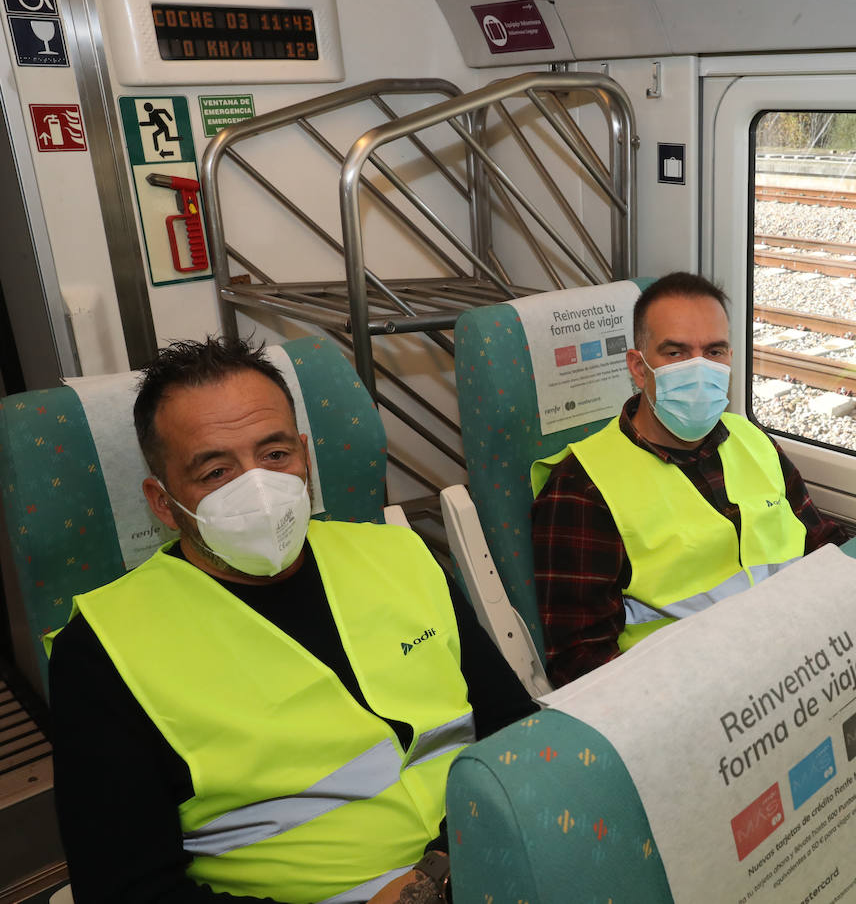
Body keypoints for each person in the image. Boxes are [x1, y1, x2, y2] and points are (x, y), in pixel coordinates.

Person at [49, 337, 536, 904]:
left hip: (496, 855)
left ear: (305, 455)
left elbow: (515, 726)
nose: (256, 486)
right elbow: (126, 890)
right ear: (162, 502)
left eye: (275, 455)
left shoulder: (400, 556)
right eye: (214, 471)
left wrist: (442, 868)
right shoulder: (103, 651)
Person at [531, 272, 845, 688]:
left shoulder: (751, 439)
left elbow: (824, 548)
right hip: (690, 700)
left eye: (714, 351)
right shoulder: (583, 489)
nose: (700, 369)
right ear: (639, 369)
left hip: (797, 664)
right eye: (676, 353)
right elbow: (582, 664)